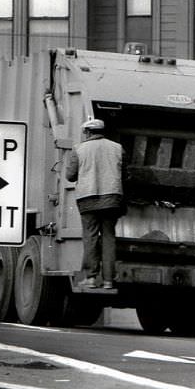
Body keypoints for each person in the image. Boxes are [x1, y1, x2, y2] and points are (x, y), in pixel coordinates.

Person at [66, 118, 127, 289]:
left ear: (87, 132)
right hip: (112, 198)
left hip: (88, 199)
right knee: (108, 238)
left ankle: (91, 278)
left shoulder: (79, 149)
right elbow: (125, 174)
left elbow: (70, 176)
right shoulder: (117, 148)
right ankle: (108, 280)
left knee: (90, 237)